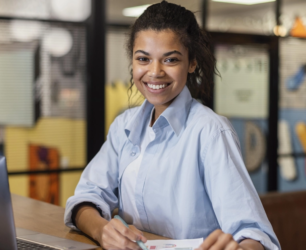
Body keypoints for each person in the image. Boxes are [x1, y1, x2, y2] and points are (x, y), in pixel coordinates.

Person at [64, 1, 280, 250]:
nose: (154, 72)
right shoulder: (124, 126)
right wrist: (103, 231)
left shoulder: (210, 131)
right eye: (143, 59)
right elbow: (85, 198)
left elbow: (255, 235)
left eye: (170, 60)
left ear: (191, 63)